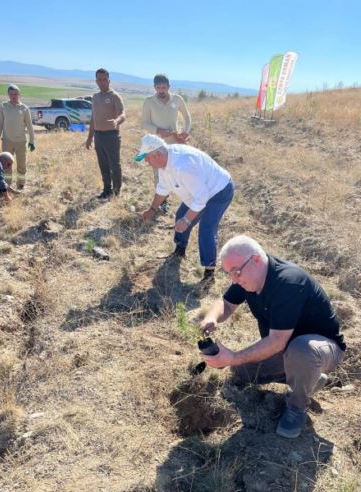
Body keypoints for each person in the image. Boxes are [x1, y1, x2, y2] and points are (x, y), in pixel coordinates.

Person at [198, 235, 346, 439]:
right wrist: (211, 317)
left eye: (236, 272)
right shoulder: (248, 278)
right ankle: (307, 378)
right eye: (229, 274)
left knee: (301, 350)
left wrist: (232, 355)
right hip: (284, 349)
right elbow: (227, 303)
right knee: (242, 371)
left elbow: (277, 341)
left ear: (256, 260)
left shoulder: (288, 282)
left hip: (322, 348)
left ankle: (297, 408)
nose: (234, 279)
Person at [135, 134, 234, 281]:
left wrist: (187, 220)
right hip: (200, 191)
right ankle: (180, 250)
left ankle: (209, 272)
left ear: (157, 154)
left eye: (147, 157)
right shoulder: (163, 164)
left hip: (219, 190)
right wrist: (152, 210)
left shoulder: (183, 166)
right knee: (180, 216)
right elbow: (162, 189)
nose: (146, 161)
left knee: (206, 228)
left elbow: (201, 199)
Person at [141, 74, 192, 212]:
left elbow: (187, 117)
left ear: (169, 87)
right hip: (156, 144)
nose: (161, 90)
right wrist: (158, 130)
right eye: (159, 88)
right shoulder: (149, 102)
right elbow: (144, 123)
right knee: (159, 172)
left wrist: (185, 131)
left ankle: (188, 199)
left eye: (164, 87)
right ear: (154, 87)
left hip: (175, 143)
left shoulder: (177, 99)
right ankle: (162, 202)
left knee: (177, 170)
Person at [84, 68, 125, 199]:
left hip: (112, 135)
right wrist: (90, 137)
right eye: (99, 80)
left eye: (104, 80)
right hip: (99, 136)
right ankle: (106, 190)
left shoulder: (114, 96)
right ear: (96, 81)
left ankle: (116, 191)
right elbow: (93, 118)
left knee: (114, 164)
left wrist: (117, 121)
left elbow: (123, 114)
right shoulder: (95, 97)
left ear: (109, 80)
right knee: (103, 165)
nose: (102, 82)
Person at [0, 84, 36, 190]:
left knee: (21, 165)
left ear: (19, 94)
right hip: (7, 141)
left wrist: (32, 141)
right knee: (6, 166)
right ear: (8, 94)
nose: (13, 96)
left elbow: (30, 126)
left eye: (15, 94)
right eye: (11, 94)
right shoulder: (3, 106)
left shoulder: (24, 108)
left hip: (20, 141)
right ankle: (7, 185)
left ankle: (20, 185)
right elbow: (0, 123)